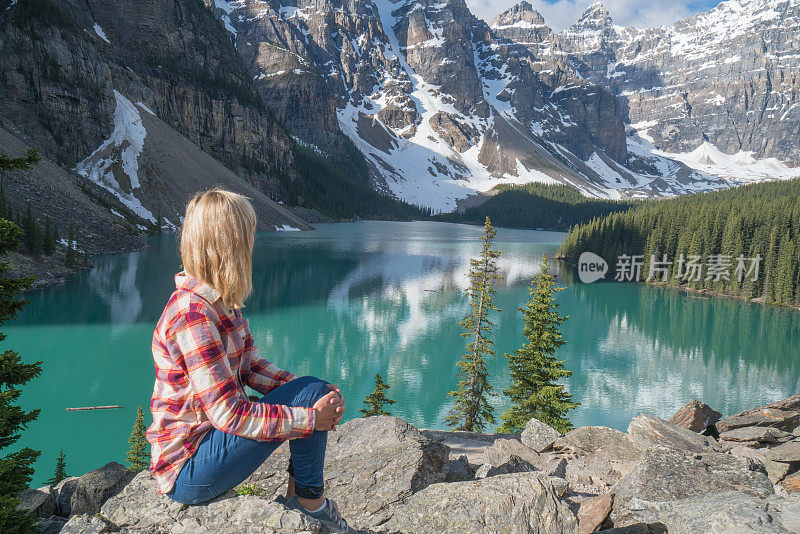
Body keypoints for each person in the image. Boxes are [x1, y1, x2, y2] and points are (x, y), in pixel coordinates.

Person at [146, 189, 356, 533]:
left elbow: (251, 368)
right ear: (229, 244)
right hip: (188, 470)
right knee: (307, 405)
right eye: (249, 234)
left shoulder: (221, 304)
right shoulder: (193, 314)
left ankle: (302, 501)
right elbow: (229, 414)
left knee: (311, 390)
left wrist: (317, 396)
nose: (253, 243)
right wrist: (309, 419)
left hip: (211, 446)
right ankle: (311, 506)